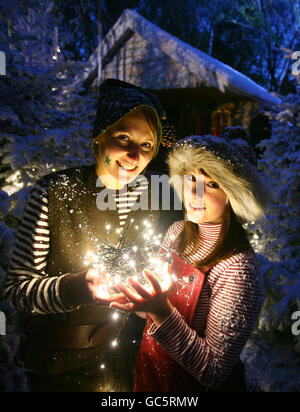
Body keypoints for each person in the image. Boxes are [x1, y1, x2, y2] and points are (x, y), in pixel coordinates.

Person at [3, 79, 180, 392]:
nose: (132, 154)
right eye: (123, 138)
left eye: (146, 146)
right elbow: (18, 290)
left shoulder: (154, 199)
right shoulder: (55, 193)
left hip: (125, 363)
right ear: (101, 138)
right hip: (57, 367)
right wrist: (77, 288)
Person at [109, 134, 271, 392]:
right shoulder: (175, 233)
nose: (195, 192)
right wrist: (134, 300)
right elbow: (154, 309)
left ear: (233, 196)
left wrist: (161, 311)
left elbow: (214, 372)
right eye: (192, 179)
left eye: (213, 184)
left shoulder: (238, 269)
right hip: (150, 377)